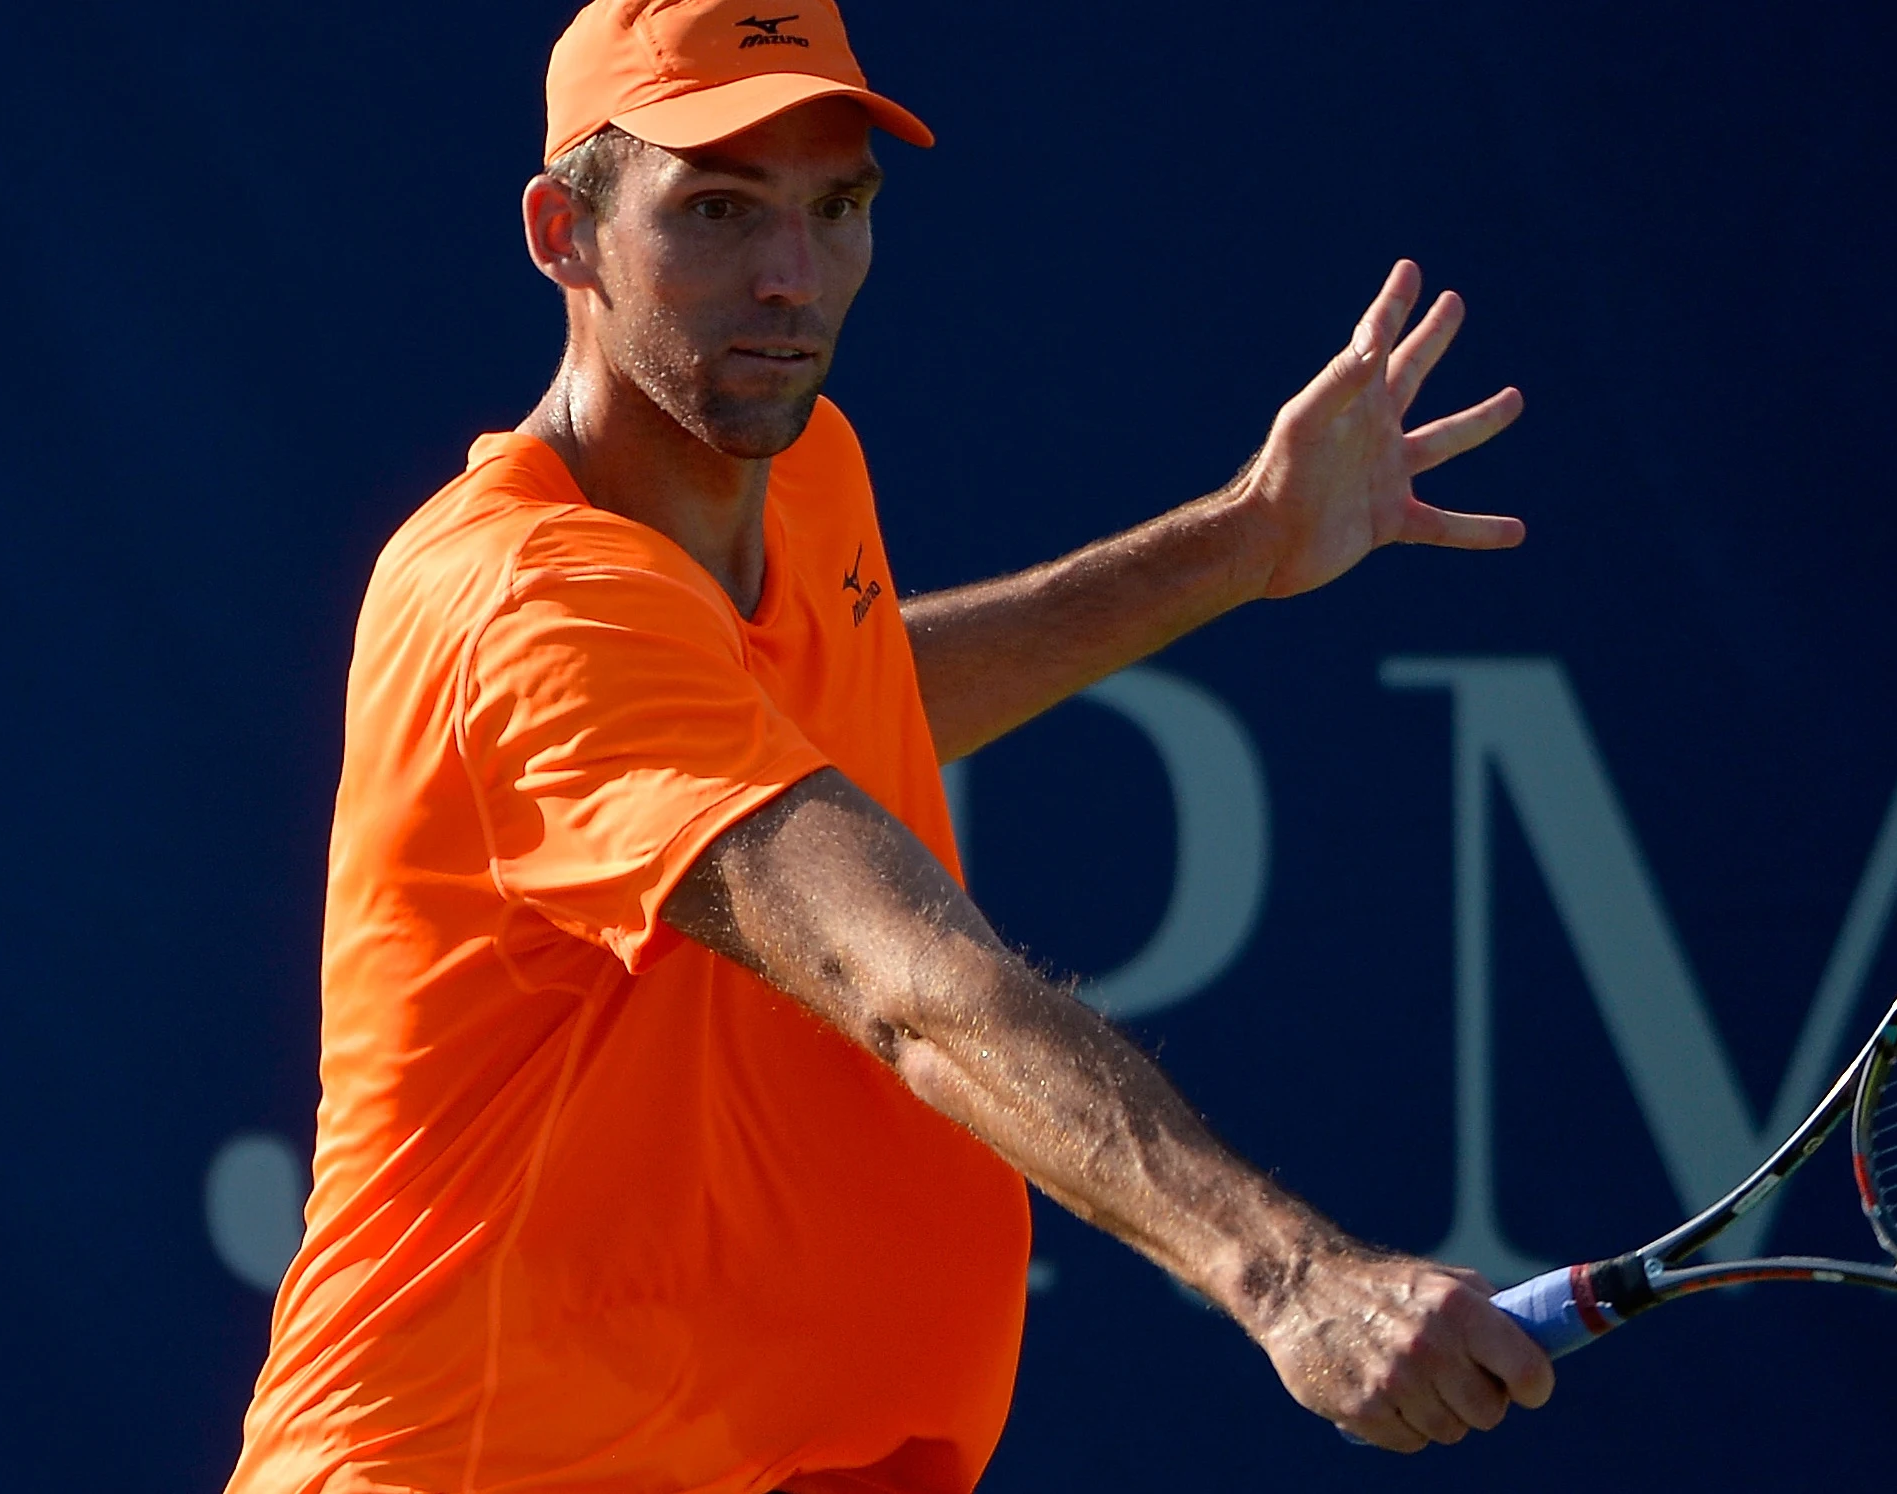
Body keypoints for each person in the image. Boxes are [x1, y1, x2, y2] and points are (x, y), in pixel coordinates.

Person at [226, 3, 1550, 1490]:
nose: (790, 279)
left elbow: (833, 705)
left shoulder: (801, 473)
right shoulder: (536, 602)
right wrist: (1285, 1272)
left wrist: (1240, 543)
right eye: (717, 210)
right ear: (564, 232)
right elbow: (898, 980)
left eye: (836, 207)